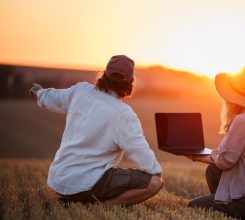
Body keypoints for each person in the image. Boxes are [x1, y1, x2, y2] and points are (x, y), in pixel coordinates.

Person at [29, 55, 163, 206]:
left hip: (59, 181)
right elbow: (141, 153)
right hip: (87, 186)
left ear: (103, 75)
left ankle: (70, 201)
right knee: (155, 182)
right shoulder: (124, 115)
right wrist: (156, 173)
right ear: (130, 83)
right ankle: (99, 207)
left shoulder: (80, 91)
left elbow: (53, 97)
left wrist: (39, 92)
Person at [186, 66, 245, 220]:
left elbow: (225, 161)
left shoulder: (243, 120)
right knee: (213, 171)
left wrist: (193, 155)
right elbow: (225, 153)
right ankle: (226, 208)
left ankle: (228, 210)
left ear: (231, 99)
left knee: (193, 206)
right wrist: (197, 152)